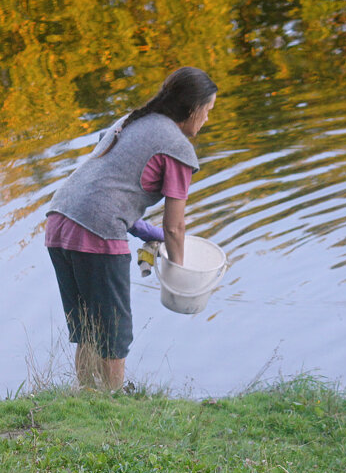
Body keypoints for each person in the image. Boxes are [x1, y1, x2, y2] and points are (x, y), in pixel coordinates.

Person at [44, 66, 218, 391]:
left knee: (87, 328)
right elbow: (176, 227)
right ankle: (115, 410)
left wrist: (142, 232)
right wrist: (179, 271)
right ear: (193, 109)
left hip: (58, 220)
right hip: (96, 231)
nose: (207, 119)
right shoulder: (177, 148)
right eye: (208, 111)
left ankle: (88, 399)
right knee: (113, 332)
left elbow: (106, 183)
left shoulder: (130, 121)